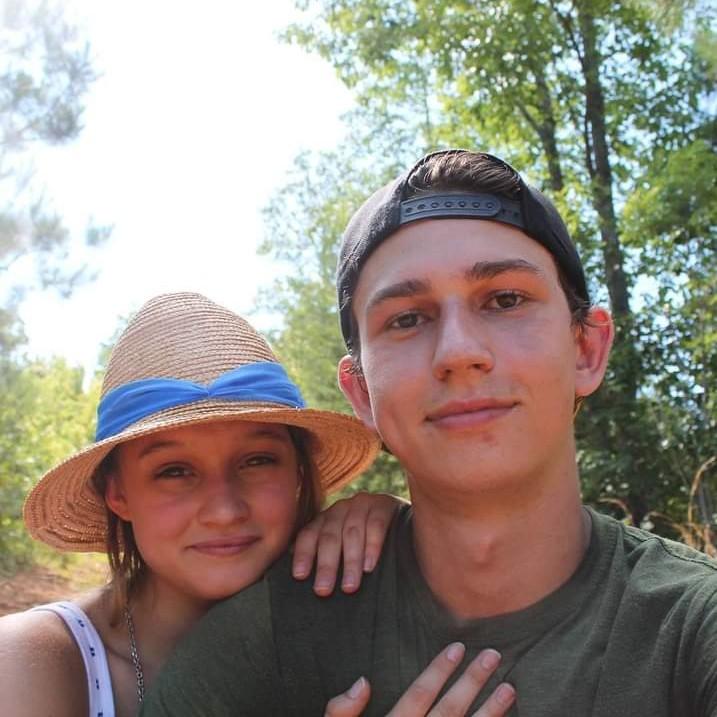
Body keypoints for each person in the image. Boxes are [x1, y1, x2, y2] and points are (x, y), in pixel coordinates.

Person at [141, 149, 717, 717]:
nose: (458, 352)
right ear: (361, 392)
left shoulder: (693, 629)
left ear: (586, 348)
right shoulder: (266, 641)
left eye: (506, 300)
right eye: (407, 319)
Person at [0, 291, 463, 717]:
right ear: (117, 494)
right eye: (174, 471)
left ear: (299, 473)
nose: (224, 510)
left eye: (257, 461)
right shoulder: (34, 663)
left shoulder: (356, 613)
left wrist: (404, 526)